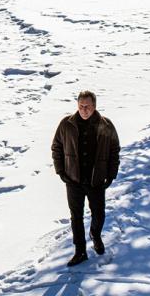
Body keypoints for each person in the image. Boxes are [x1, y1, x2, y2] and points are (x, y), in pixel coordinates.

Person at [51, 90, 120, 267]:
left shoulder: (106, 124)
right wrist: (61, 171)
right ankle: (80, 251)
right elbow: (56, 147)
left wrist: (111, 175)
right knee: (76, 217)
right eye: (81, 106)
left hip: (96, 180)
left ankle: (95, 235)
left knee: (99, 214)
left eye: (87, 106)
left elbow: (114, 150)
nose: (84, 110)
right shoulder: (66, 124)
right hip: (73, 180)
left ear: (94, 106)